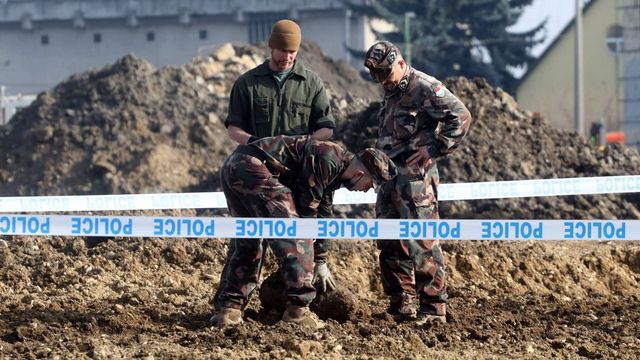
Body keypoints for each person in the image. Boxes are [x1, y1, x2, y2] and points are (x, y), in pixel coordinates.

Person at [213, 19, 337, 313]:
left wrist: (305, 147)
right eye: (282, 50)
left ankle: (294, 301)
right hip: (256, 173)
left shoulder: (311, 83)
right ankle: (230, 307)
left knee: (296, 234)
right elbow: (234, 127)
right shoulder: (248, 83)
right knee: (248, 240)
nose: (286, 56)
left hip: (295, 174)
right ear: (271, 47)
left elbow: (326, 128)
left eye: (292, 51)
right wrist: (257, 145)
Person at [210, 135, 397, 329]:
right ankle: (297, 311)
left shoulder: (334, 166)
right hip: (253, 168)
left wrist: (321, 261)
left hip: (236, 165)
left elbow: (323, 216)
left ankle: (229, 309)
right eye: (370, 184)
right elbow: (306, 219)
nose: (366, 191)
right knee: (297, 234)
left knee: (250, 240)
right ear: (359, 173)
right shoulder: (328, 158)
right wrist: (304, 258)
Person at [363, 41, 473, 324]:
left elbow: (460, 116)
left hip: (415, 181)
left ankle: (433, 306)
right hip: (389, 177)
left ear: (399, 62)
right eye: (377, 76)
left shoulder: (424, 86)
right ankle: (403, 301)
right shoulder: (390, 89)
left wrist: (435, 148)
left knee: (422, 240)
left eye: (386, 73)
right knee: (390, 240)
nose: (382, 80)